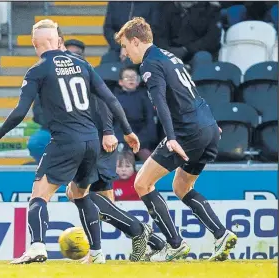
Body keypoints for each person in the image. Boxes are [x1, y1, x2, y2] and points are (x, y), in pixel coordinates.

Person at [0, 19, 140, 265]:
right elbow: (111, 100)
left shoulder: (37, 70)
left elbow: (20, 111)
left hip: (65, 141)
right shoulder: (82, 63)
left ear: (35, 44)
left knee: (39, 195)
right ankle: (97, 254)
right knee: (80, 195)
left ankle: (37, 247)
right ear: (58, 40)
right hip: (92, 141)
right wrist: (128, 131)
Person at [115, 17, 238, 262]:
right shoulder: (170, 57)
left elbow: (160, 102)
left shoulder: (150, 63)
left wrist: (171, 137)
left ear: (136, 41)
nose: (126, 54)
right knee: (181, 187)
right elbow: (192, 91)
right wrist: (211, 123)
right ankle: (221, 234)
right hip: (207, 128)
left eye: (126, 48)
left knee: (142, 184)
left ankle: (175, 244)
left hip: (186, 132)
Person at [59, 30, 164, 262]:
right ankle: (156, 242)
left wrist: (107, 131)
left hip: (94, 144)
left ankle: (133, 232)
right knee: (104, 207)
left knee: (76, 193)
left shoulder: (78, 72)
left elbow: (106, 102)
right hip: (95, 143)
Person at [114, 66, 157, 161]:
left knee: (150, 160)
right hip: (121, 137)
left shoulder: (144, 97)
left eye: (133, 77)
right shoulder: (114, 99)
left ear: (138, 81)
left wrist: (142, 139)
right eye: (127, 77)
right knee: (121, 160)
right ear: (120, 82)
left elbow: (150, 120)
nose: (131, 79)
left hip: (141, 138)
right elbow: (113, 123)